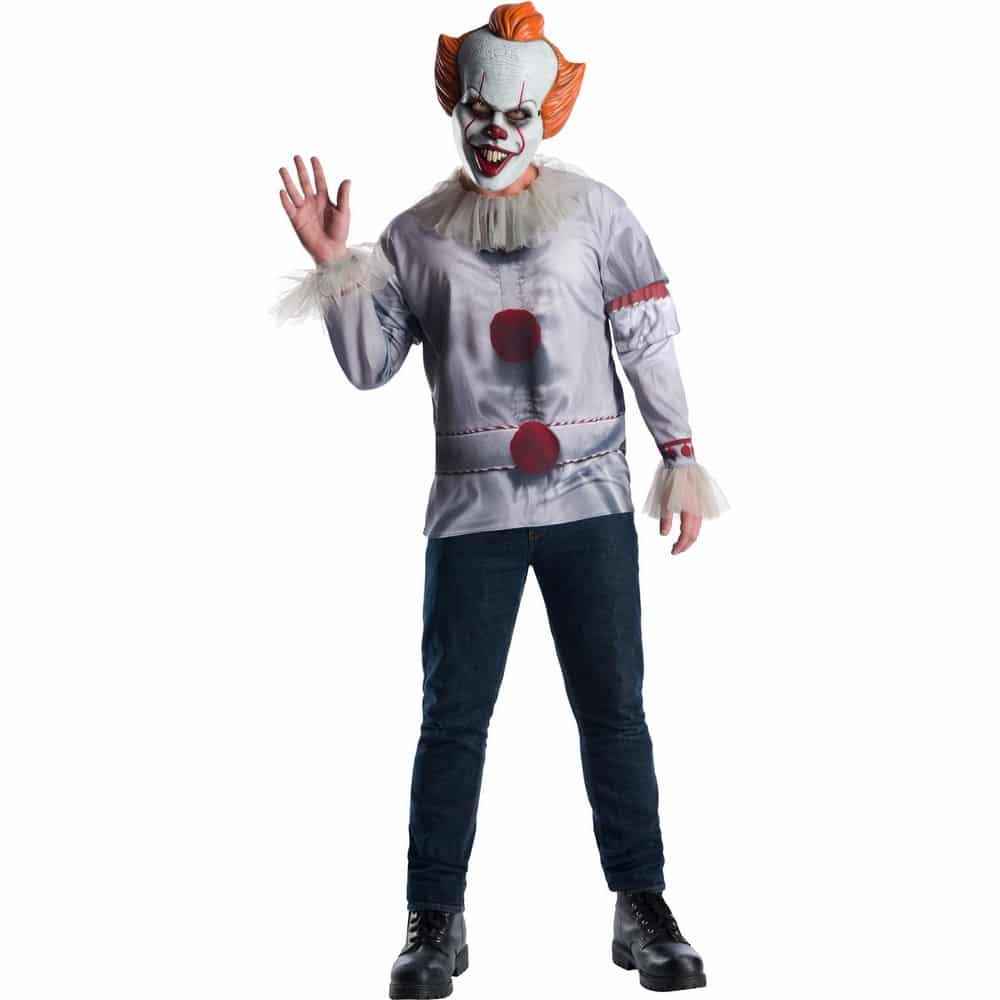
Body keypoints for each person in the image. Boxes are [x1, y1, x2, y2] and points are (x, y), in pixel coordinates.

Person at [276, 4, 727, 995]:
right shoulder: (414, 235)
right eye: (478, 108)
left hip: (588, 506)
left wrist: (681, 457)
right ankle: (434, 919)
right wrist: (334, 264)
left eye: (515, 112)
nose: (493, 130)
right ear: (456, 106)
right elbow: (368, 366)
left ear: (544, 116)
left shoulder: (597, 213)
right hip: (471, 520)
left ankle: (641, 901)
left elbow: (647, 343)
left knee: (614, 712)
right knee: (453, 719)